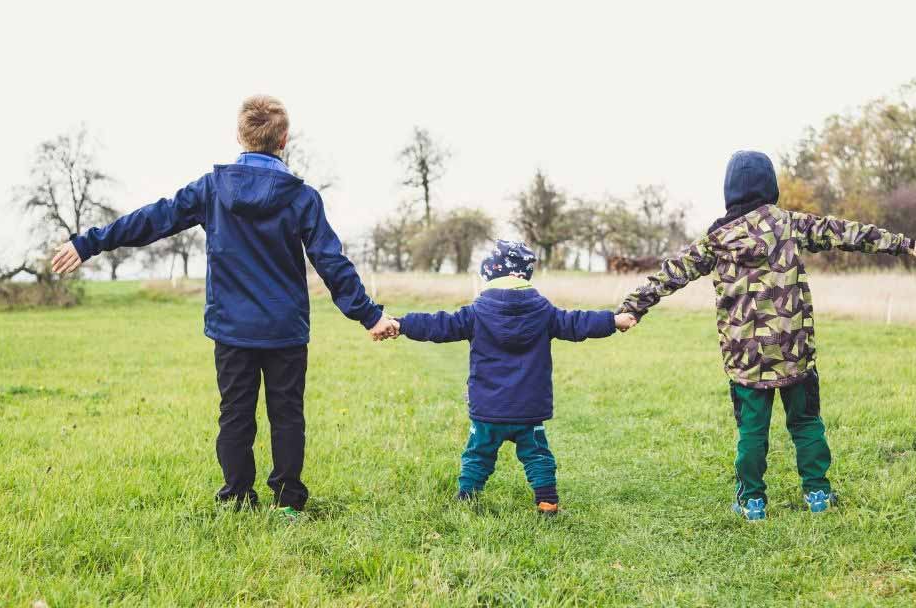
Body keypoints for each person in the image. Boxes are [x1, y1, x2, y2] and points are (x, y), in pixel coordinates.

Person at [50, 95, 398, 520]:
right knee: (287, 415)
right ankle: (288, 503)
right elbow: (331, 261)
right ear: (283, 140)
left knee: (235, 415)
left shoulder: (213, 189)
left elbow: (153, 219)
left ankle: (237, 497)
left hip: (232, 329)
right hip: (284, 329)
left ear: (239, 136)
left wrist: (89, 243)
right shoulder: (301, 197)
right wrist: (369, 315)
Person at [617, 150, 916, 521]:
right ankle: (817, 493)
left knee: (752, 432)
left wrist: (633, 307)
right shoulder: (789, 224)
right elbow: (842, 232)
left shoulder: (716, 239)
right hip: (793, 351)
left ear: (730, 191)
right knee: (806, 423)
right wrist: (902, 243)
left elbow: (671, 273)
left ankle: (752, 501)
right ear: (771, 186)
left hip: (745, 358)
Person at [380, 240, 636, 515]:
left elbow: (438, 324)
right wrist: (613, 320)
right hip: (528, 408)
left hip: (488, 408)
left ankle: (466, 498)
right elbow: (578, 322)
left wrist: (402, 324)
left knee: (478, 454)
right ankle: (547, 503)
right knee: (537, 456)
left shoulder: (476, 312)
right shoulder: (544, 312)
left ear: (490, 275)